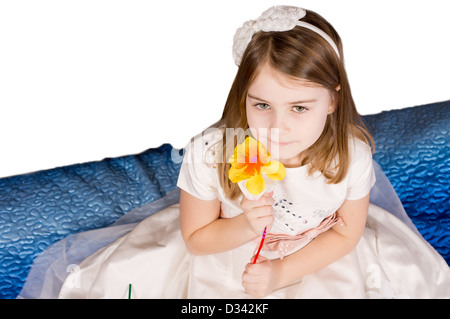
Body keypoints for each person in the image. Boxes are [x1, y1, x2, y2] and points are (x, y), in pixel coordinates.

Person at [55, 6, 449, 299]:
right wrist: (245, 224)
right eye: (261, 105)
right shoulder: (211, 154)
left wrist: (282, 272)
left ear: (331, 101)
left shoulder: (349, 157)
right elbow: (195, 238)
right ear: (242, 97)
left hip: (315, 255)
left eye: (299, 108)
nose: (277, 127)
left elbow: (347, 232)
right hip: (225, 253)